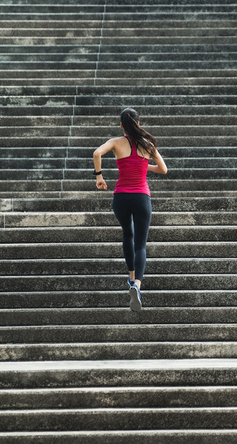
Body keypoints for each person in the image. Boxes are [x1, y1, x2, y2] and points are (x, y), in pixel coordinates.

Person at [93, 108, 168, 311]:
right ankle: (137, 285)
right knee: (140, 244)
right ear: (138, 124)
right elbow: (163, 169)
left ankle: (131, 276)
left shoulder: (116, 142)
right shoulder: (147, 144)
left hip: (121, 197)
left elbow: (97, 153)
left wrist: (99, 177)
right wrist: (144, 165)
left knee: (128, 234)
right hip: (142, 197)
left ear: (121, 125)